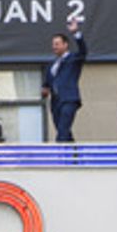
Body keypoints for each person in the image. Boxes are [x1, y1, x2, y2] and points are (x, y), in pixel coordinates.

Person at [42, 13, 87, 143]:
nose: (54, 47)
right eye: (53, 44)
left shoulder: (73, 59)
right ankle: (75, 157)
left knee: (62, 132)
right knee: (64, 132)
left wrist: (76, 33)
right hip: (56, 102)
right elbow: (47, 83)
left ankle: (60, 159)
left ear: (65, 44)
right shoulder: (51, 64)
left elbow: (83, 52)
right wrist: (45, 89)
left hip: (69, 99)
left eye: (57, 44)